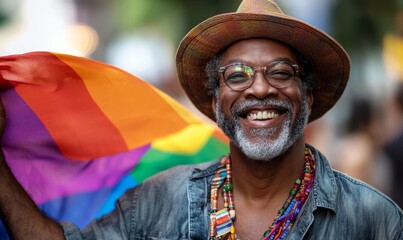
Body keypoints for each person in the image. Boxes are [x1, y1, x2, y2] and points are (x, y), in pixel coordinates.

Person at [0, 0, 402, 239]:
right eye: (237, 76)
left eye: (281, 72)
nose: (259, 89)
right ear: (215, 102)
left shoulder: (374, 219)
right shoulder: (159, 200)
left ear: (308, 96)